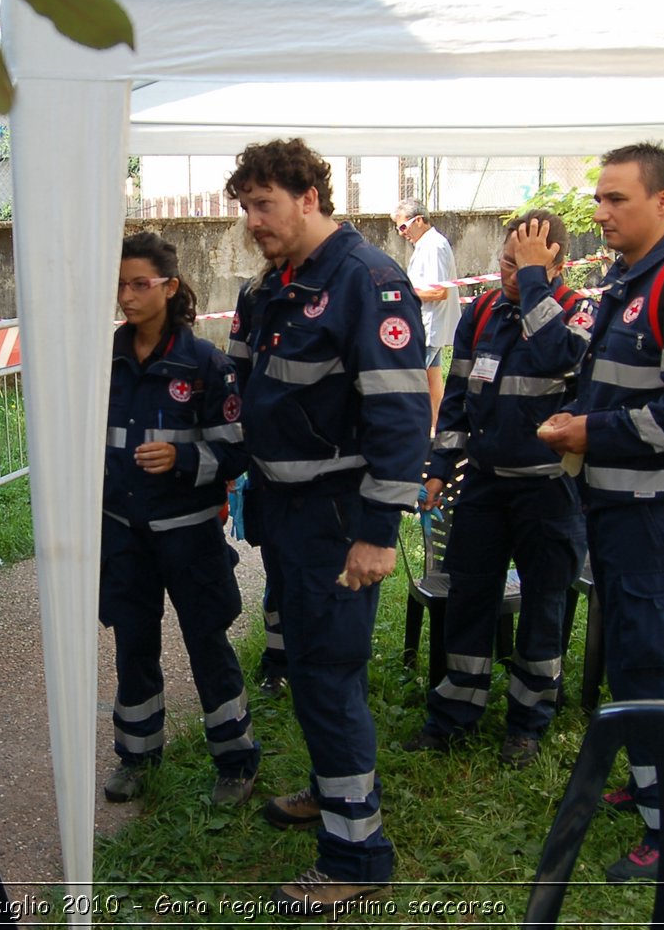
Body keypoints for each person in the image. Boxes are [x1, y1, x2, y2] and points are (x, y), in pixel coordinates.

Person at [225, 139, 431, 916]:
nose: (253, 221)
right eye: (245, 207)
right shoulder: (271, 287)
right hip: (285, 514)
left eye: (265, 205)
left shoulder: (367, 281)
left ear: (311, 196)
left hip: (340, 520)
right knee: (310, 666)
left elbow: (401, 414)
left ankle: (357, 854)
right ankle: (330, 791)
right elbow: (244, 396)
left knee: (328, 676)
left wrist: (379, 531)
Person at [538, 143, 664, 882]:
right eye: (597, 199)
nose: (600, 213)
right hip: (620, 508)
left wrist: (592, 432)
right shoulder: (631, 281)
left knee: (656, 664)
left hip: (662, 514)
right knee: (631, 655)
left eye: (616, 199)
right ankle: (655, 786)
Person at [409, 212, 591, 767]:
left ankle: (528, 722)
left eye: (524, 263)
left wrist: (535, 284)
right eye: (506, 261)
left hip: (550, 493)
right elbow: (459, 394)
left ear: (555, 260)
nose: (509, 272)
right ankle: (455, 714)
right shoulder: (484, 310)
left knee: (544, 605)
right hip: (485, 487)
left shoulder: (582, 310)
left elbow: (562, 354)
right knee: (470, 598)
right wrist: (441, 463)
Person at [100, 232, 261, 807]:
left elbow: (238, 452)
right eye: (119, 285)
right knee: (133, 645)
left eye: (139, 284)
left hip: (188, 539)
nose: (127, 296)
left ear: (169, 287)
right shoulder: (105, 362)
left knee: (207, 644)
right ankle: (137, 756)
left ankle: (236, 761)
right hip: (124, 535)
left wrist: (183, 459)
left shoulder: (205, 366)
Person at [227, 258, 289, 698]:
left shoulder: (346, 286)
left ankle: (323, 666)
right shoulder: (253, 293)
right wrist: (232, 466)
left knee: (325, 579)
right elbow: (236, 381)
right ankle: (278, 663)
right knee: (279, 571)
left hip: (330, 480)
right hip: (268, 472)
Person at [393, 199, 460, 426]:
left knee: (412, 382)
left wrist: (404, 293)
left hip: (428, 326)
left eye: (403, 227)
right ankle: (436, 428)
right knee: (432, 382)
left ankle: (413, 429)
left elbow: (438, 292)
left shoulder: (432, 246)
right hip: (428, 325)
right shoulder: (427, 244)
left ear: (419, 221)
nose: (401, 233)